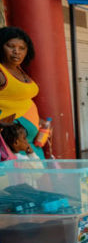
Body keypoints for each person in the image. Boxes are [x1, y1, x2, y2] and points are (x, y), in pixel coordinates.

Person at [0, 27, 43, 158]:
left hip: (31, 142)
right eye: (10, 46)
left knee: (39, 175)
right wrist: (7, 123)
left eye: (22, 48)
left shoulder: (18, 69)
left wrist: (38, 121)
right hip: (13, 145)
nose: (16, 52)